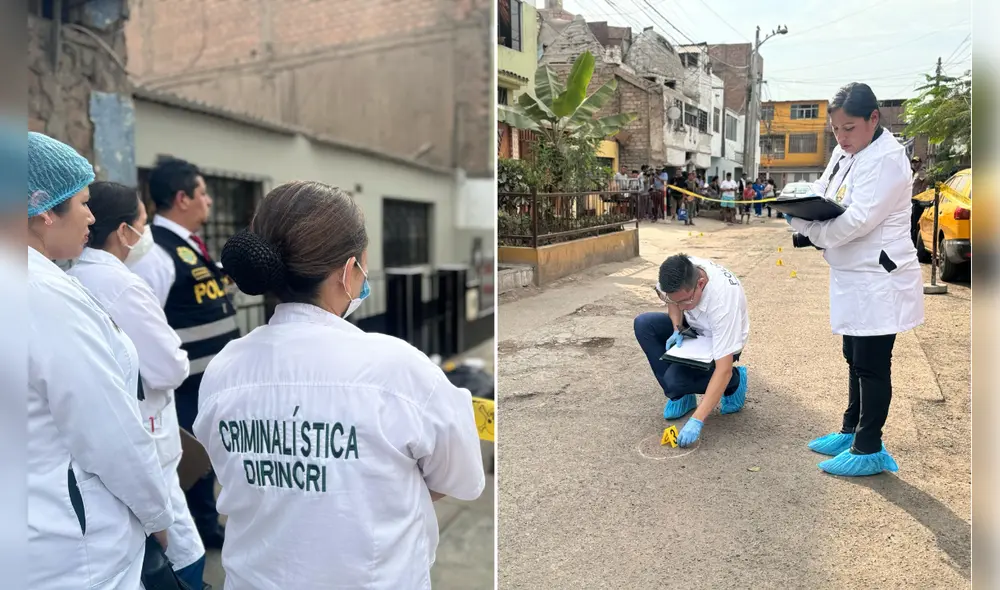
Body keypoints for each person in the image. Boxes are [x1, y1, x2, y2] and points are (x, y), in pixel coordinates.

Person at [194, 181, 485, 587]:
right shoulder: (397, 370)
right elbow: (461, 477)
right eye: (364, 265)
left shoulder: (225, 370)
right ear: (350, 272)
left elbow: (234, 469)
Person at [27, 132, 173, 589]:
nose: (92, 216)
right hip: (71, 549)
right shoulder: (43, 295)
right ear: (45, 209)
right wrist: (158, 517)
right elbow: (110, 432)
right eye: (83, 202)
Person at [67, 181, 207, 588]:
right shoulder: (123, 285)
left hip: (108, 445)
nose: (145, 234)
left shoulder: (75, 276)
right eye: (142, 223)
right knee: (180, 549)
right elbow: (170, 367)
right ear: (124, 232)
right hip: (146, 437)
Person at [787, 82, 924, 477]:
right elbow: (824, 189)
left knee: (873, 364)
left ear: (873, 119)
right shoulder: (846, 151)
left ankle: (869, 446)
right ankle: (850, 429)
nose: (842, 137)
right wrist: (796, 198)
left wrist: (807, 230)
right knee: (853, 357)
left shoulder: (887, 159)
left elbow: (860, 219)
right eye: (836, 129)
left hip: (879, 278)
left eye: (849, 128)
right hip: (853, 273)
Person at [131, 156, 237, 549]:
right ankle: (200, 532)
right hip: (185, 384)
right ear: (182, 198)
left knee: (210, 458)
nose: (209, 201)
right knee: (192, 462)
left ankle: (206, 525)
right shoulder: (155, 255)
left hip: (210, 380)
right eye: (203, 193)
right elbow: (147, 324)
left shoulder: (190, 246)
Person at [634, 254, 750, 447]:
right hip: (694, 329)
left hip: (720, 340)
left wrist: (697, 420)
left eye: (685, 301)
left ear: (701, 284)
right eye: (675, 301)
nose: (681, 306)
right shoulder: (677, 272)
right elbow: (672, 301)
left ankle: (736, 382)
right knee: (644, 324)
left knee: (676, 380)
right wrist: (676, 327)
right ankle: (681, 397)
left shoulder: (723, 303)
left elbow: (723, 369)